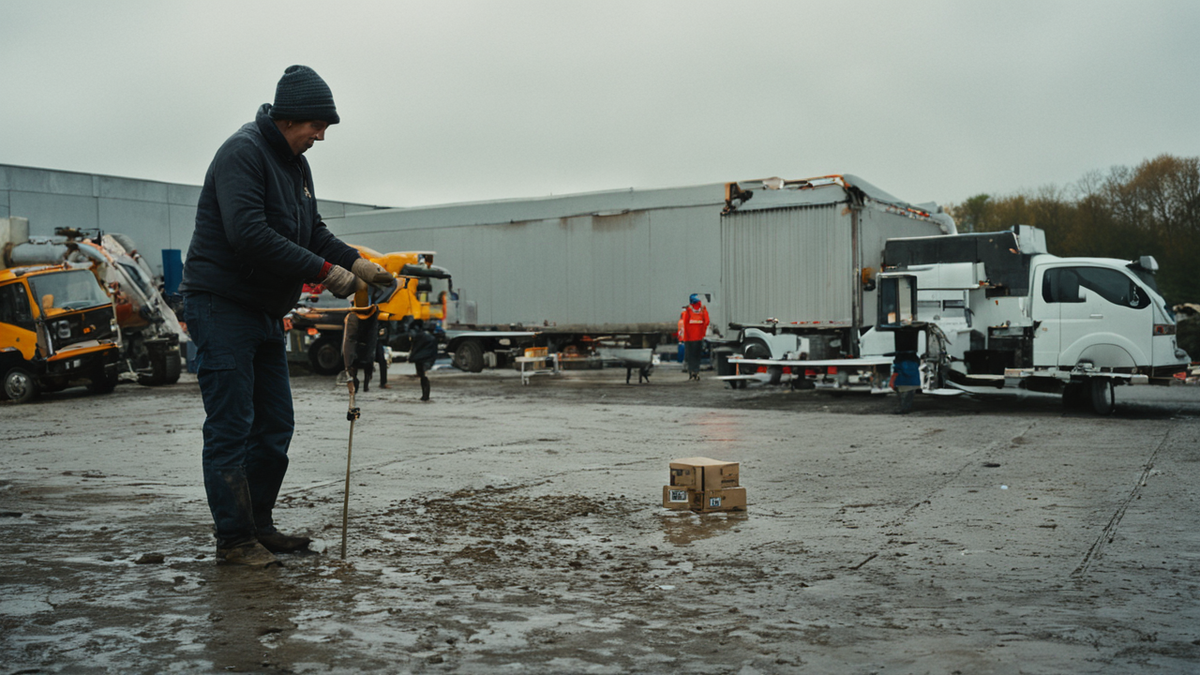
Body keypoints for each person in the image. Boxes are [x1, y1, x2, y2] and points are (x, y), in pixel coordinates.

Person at [180, 65, 392, 568]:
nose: (322, 136)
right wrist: (329, 275)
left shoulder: (296, 163)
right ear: (292, 117)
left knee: (275, 425)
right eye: (318, 125)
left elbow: (311, 230)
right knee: (232, 425)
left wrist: (356, 262)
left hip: (264, 311)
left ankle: (258, 525)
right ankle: (234, 541)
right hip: (221, 305)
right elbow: (248, 234)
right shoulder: (243, 153)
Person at [406, 319, 439, 401]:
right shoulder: (431, 337)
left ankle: (425, 396)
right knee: (424, 376)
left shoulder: (418, 335)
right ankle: (425, 396)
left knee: (423, 376)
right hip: (426, 358)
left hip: (420, 359)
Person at [680, 293, 709, 381]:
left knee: (690, 356)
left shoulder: (688, 310)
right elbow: (707, 321)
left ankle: (691, 372)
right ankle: (696, 371)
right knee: (697, 356)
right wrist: (702, 332)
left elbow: (684, 323)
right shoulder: (703, 309)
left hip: (689, 338)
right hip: (699, 337)